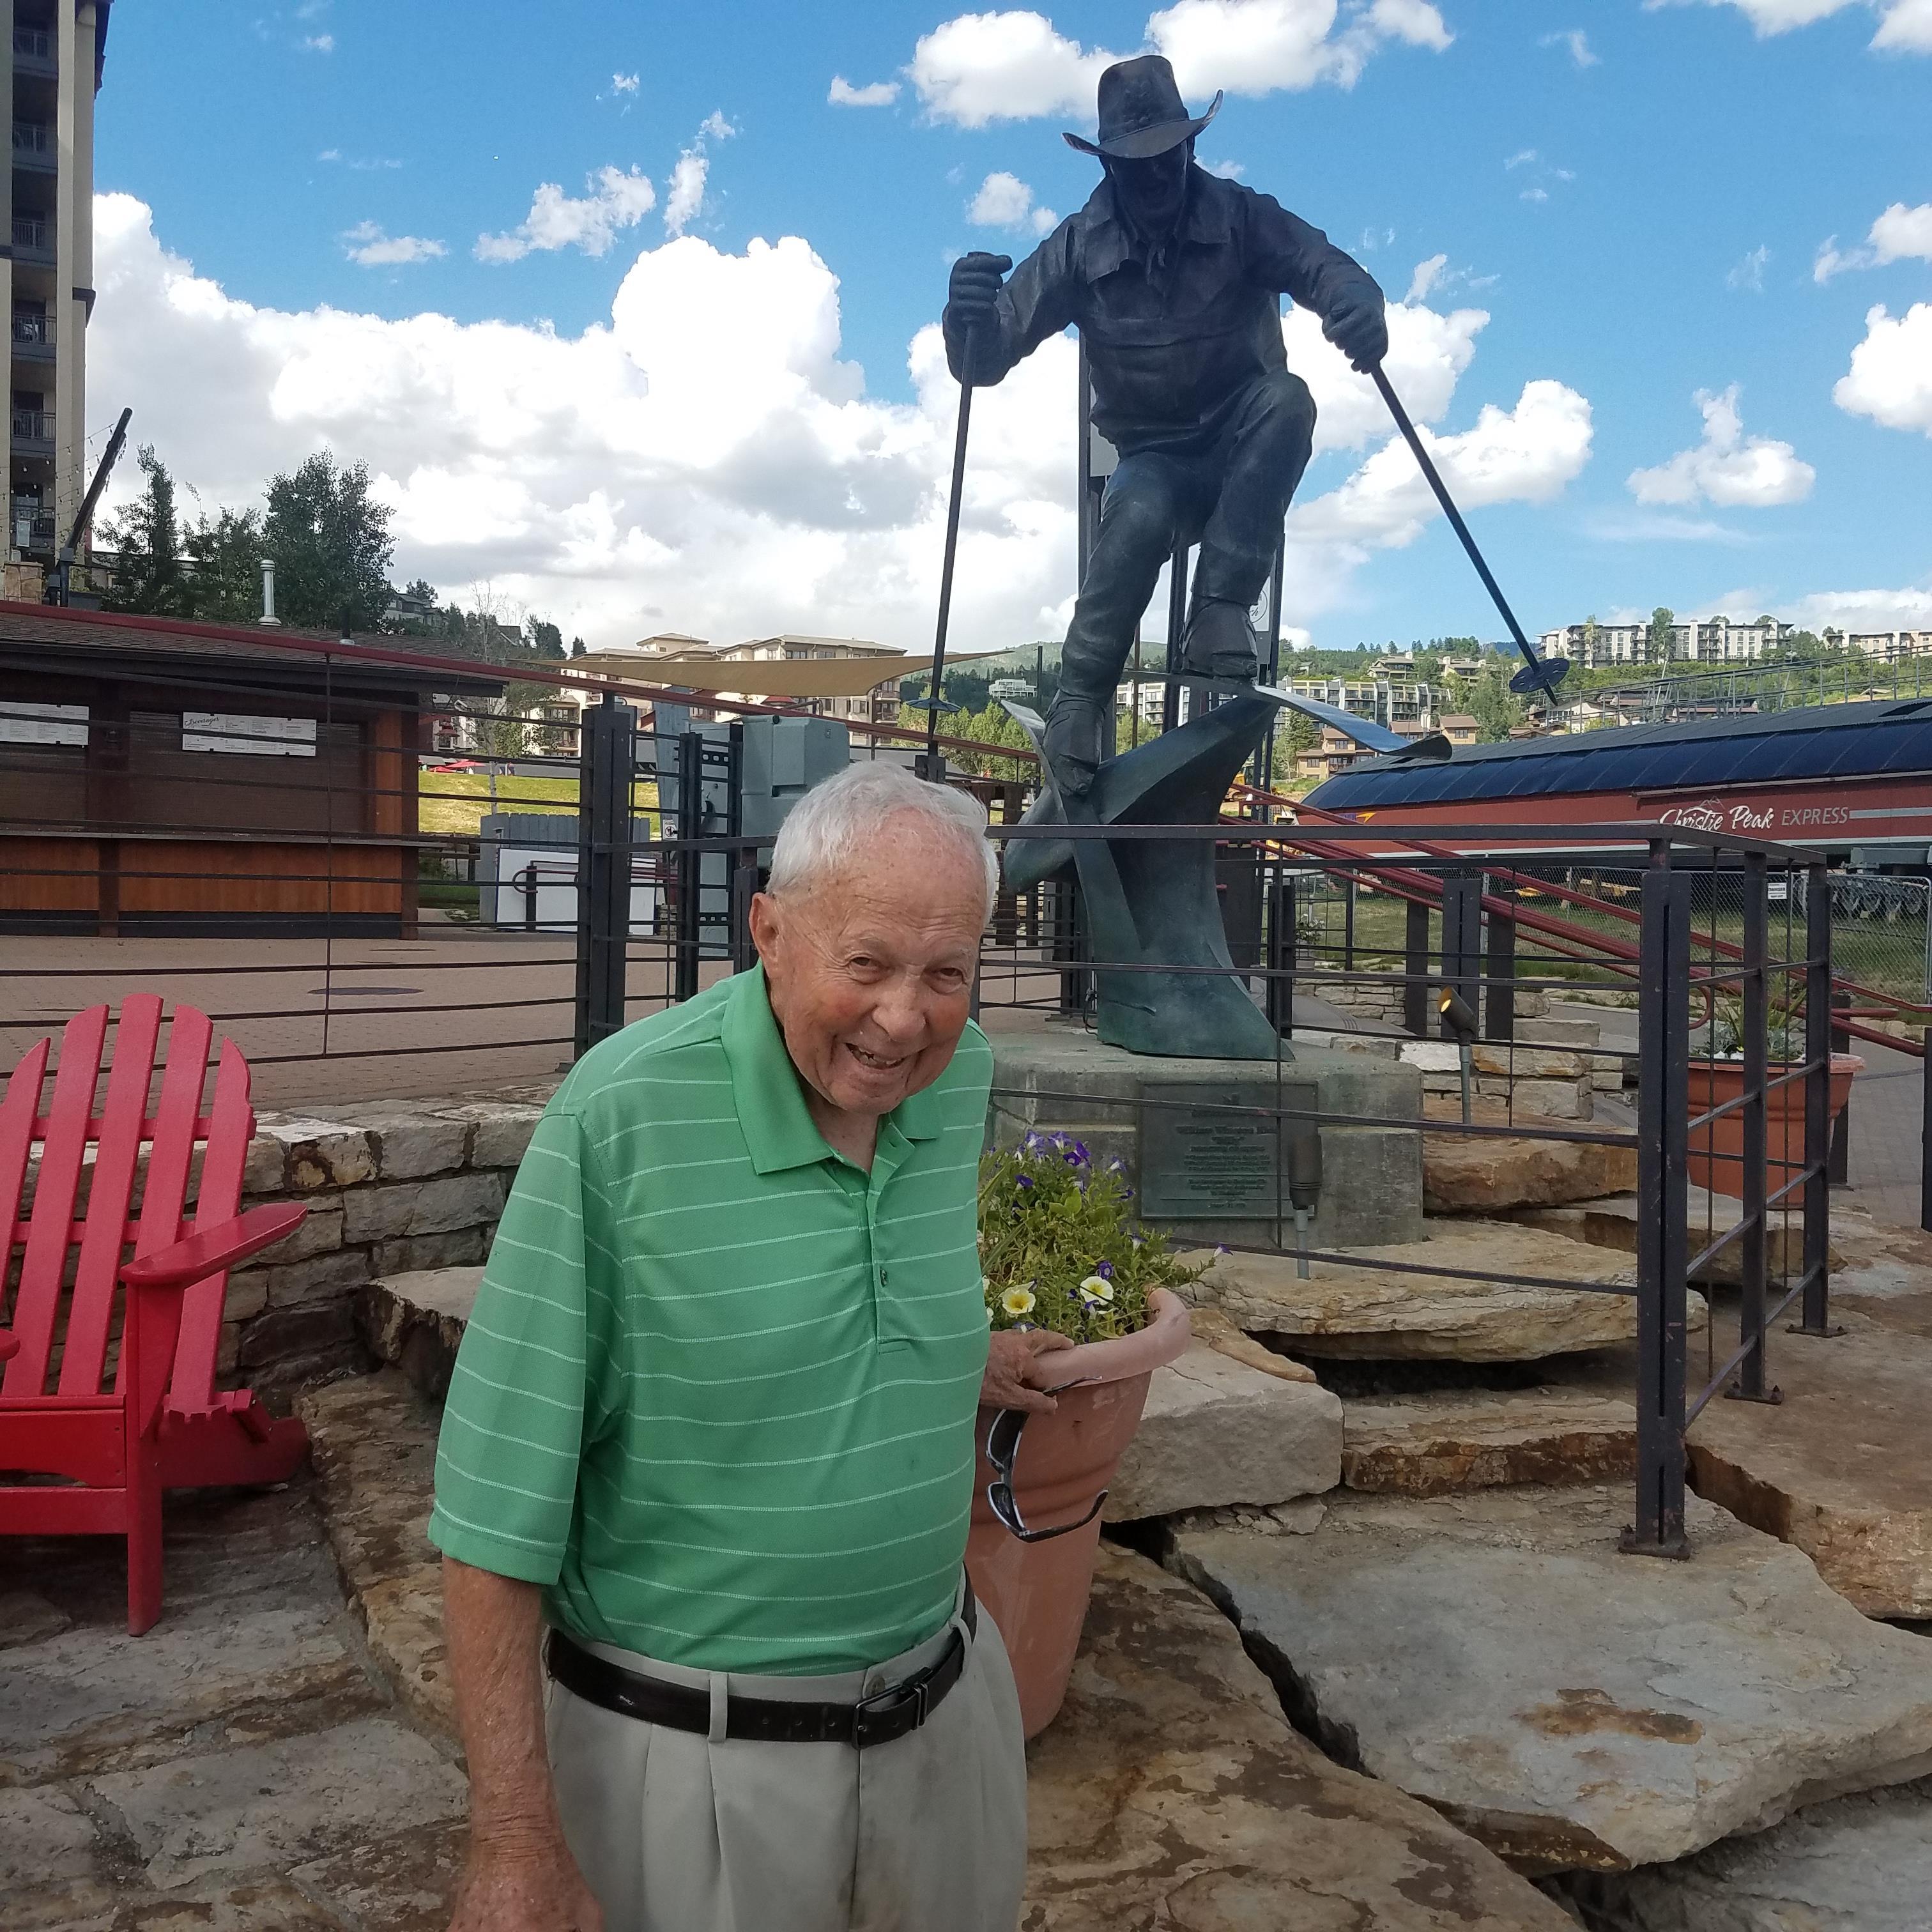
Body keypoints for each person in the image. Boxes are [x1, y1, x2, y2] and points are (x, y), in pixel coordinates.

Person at [433, 761, 1071, 1932]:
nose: (904, 1018)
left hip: (948, 1720)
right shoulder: (621, 1118)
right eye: (866, 963)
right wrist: (515, 1840)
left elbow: (827, 1288)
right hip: (699, 1769)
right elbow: (492, 1506)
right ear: (769, 933)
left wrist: (947, 1355)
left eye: (947, 973)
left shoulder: (956, 1075)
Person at [942, 54, 1390, 795]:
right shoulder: (1077, 245)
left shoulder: (1241, 216)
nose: (1156, 177)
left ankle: (1219, 610)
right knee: (1138, 519)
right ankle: (1079, 702)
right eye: (1136, 165)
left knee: (1289, 400)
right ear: (1108, 165)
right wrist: (967, 319)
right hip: (1154, 457)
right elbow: (987, 356)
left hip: (1244, 435)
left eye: (1168, 157)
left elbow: (1323, 264)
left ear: (1191, 147)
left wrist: (1358, 303)